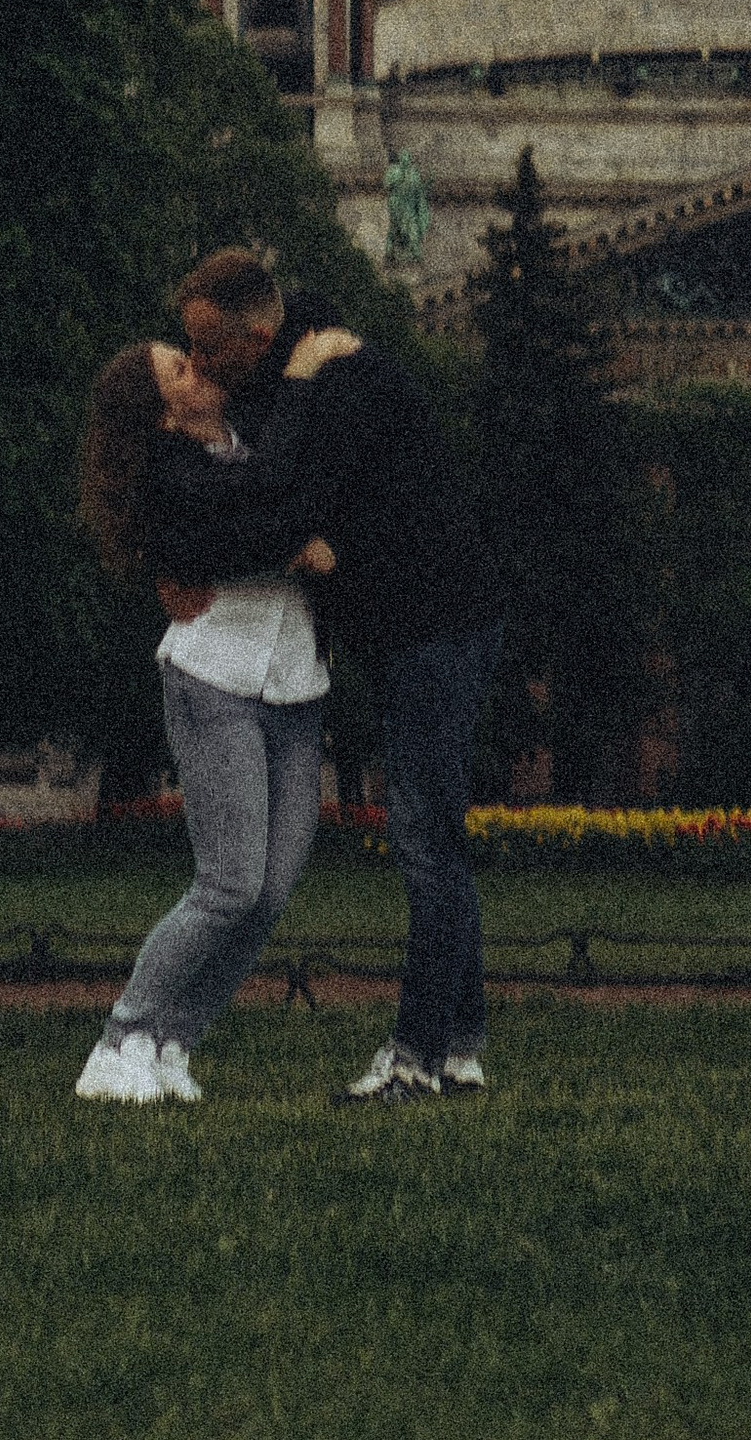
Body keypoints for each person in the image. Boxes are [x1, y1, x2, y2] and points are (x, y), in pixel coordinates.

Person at [165, 249, 503, 1104]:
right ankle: (459, 1048)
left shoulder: (333, 382)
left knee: (427, 845)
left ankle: (416, 1059)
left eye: (210, 348)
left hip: (433, 628)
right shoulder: (297, 373)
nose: (200, 365)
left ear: (262, 334)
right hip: (424, 626)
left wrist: (252, 548)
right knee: (437, 844)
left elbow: (285, 497)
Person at [72, 323, 356, 1103]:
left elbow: (289, 495)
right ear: (164, 412)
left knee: (269, 894)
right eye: (178, 368)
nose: (197, 366)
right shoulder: (174, 469)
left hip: (296, 683)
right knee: (229, 883)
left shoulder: (254, 438)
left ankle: (172, 1043)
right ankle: (120, 1037)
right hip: (214, 675)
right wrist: (295, 543)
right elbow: (258, 512)